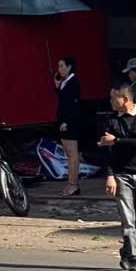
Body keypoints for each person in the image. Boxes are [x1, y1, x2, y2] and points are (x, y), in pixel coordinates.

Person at [100, 84, 136, 271]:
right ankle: (135, 258)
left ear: (125, 99)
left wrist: (116, 141)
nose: (110, 101)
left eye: (113, 98)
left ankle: (128, 250)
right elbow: (105, 151)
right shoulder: (111, 121)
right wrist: (109, 175)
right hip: (121, 175)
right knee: (128, 219)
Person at [54, 57, 81, 196]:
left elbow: (73, 105)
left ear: (69, 67)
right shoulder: (65, 82)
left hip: (70, 122)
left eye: (62, 66)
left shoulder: (73, 82)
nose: (59, 69)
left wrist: (67, 121)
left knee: (72, 154)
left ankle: (73, 184)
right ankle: (70, 182)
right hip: (63, 120)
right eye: (59, 66)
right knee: (69, 154)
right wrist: (57, 87)